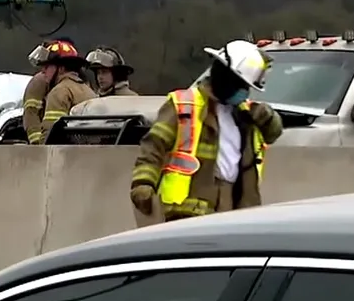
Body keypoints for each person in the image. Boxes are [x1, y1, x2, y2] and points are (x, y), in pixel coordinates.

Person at [131, 40, 283, 222]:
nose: (245, 92)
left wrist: (267, 118)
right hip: (188, 208)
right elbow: (154, 146)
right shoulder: (184, 104)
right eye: (241, 85)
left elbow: (274, 132)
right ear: (226, 77)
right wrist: (143, 183)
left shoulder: (244, 114)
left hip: (235, 206)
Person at [39, 40, 97, 140]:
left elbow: (50, 134)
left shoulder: (59, 92)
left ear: (61, 69)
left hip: (65, 153)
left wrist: (40, 152)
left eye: (47, 66)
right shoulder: (89, 91)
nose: (43, 71)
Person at [21, 40, 60, 144]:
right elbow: (31, 115)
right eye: (43, 66)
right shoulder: (39, 82)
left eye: (46, 66)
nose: (43, 70)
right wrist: (38, 144)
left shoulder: (68, 84)